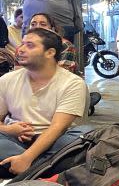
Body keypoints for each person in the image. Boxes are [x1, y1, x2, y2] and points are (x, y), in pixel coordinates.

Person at [0, 28, 88, 176]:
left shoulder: (72, 83)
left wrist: (27, 158)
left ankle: (21, 169)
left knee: (85, 134)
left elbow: (57, 128)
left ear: (50, 52)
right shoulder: (7, 80)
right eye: (22, 44)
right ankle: (45, 171)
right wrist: (10, 130)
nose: (20, 50)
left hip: (54, 143)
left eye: (30, 45)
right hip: (16, 141)